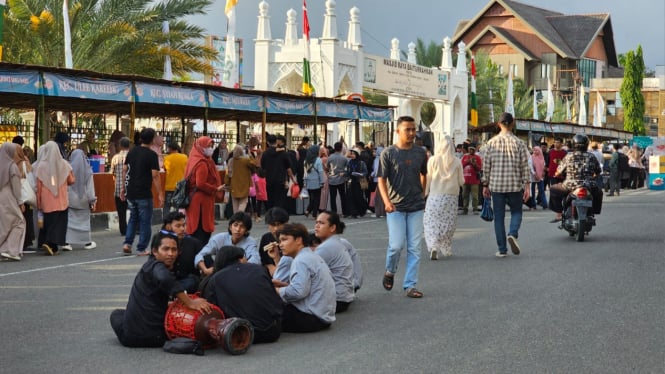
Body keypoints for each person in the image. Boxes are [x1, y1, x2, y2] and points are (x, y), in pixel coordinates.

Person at [110, 231, 212, 348]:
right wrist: (190, 302)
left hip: (133, 337)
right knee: (118, 314)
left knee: (117, 314)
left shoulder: (151, 267)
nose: (170, 254)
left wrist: (180, 302)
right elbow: (164, 278)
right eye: (166, 249)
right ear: (154, 251)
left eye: (174, 250)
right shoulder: (156, 266)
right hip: (159, 336)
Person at [377, 115, 428, 298]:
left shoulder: (421, 153)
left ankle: (410, 285)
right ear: (398, 131)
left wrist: (422, 194)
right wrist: (387, 202)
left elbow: (424, 174)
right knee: (396, 245)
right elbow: (381, 179)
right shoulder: (388, 153)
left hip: (416, 206)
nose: (412, 133)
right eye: (408, 129)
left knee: (414, 247)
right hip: (396, 207)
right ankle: (390, 271)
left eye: (414, 129)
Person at [204, 246, 284, 343]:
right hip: (272, 331)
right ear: (240, 258)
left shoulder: (215, 279)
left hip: (240, 333)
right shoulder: (259, 269)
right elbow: (273, 299)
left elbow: (213, 311)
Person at [481, 112, 530, 258]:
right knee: (516, 212)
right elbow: (524, 166)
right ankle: (513, 233)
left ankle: (502, 249)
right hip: (515, 185)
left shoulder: (491, 143)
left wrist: (485, 184)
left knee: (499, 217)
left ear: (498, 124)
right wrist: (527, 186)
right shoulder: (519, 143)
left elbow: (486, 166)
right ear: (512, 123)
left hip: (496, 186)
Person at [271, 223, 336, 333]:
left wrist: (275, 290)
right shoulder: (310, 255)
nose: (280, 245)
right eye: (280, 241)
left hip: (311, 318)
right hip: (323, 316)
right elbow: (306, 288)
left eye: (284, 240)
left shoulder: (301, 260)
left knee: (265, 312)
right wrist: (283, 286)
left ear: (298, 240)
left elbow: (298, 292)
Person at [121, 128, 162, 256]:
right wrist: (160, 193)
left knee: (133, 218)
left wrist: (123, 187)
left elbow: (124, 169)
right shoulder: (152, 155)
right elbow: (155, 175)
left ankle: (127, 243)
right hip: (144, 192)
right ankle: (142, 248)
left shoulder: (132, 152)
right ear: (152, 139)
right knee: (145, 221)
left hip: (131, 191)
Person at [424, 135, 464, 260]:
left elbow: (428, 178)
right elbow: (462, 181)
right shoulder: (457, 161)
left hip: (435, 195)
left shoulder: (432, 160)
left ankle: (434, 245)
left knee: (431, 221)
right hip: (451, 196)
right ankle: (446, 248)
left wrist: (425, 192)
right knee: (449, 222)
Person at [548, 134, 602, 222]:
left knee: (553, 189)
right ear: (586, 144)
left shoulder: (569, 156)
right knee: (599, 193)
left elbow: (558, 171)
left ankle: (559, 213)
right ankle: (593, 212)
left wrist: (557, 174)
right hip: (589, 186)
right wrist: (592, 177)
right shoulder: (591, 156)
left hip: (569, 185)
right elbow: (598, 171)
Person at [34, 141, 76, 256]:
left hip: (47, 202)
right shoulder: (64, 164)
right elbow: (72, 180)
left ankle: (50, 245)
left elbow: (38, 186)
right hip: (61, 201)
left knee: (48, 224)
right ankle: (50, 244)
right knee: (59, 225)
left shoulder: (41, 166)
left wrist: (39, 202)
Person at [185, 136, 224, 246]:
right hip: (201, 201)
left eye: (212, 146)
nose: (210, 149)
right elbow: (200, 183)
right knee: (202, 230)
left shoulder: (194, 159)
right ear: (201, 147)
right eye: (208, 146)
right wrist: (215, 189)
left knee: (198, 229)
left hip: (196, 199)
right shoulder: (202, 163)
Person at [313, 211, 355, 312]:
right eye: (316, 222)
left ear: (332, 228)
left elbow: (308, 275)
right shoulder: (337, 242)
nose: (317, 226)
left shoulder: (325, 247)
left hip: (337, 300)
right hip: (344, 296)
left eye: (321, 223)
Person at [195, 212, 259, 277]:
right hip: (219, 272)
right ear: (230, 227)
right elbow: (200, 255)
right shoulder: (219, 238)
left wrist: (246, 263)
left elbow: (256, 259)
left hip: (240, 273)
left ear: (246, 230)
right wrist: (205, 270)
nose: (238, 229)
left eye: (242, 227)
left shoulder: (250, 241)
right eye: (235, 225)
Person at [62, 149, 97, 251]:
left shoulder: (68, 170)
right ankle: (87, 242)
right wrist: (92, 200)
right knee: (84, 221)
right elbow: (90, 189)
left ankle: (67, 243)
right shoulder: (88, 171)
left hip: (70, 199)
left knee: (70, 221)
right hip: (83, 200)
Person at [162, 211, 203, 294]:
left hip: (189, 283)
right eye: (178, 226)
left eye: (183, 225)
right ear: (168, 227)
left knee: (192, 282)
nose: (182, 229)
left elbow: (209, 263)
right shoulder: (160, 244)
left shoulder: (194, 243)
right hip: (168, 282)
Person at [0, 143, 26, 261]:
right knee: (19, 222)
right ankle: (9, 250)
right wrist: (20, 202)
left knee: (4, 225)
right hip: (9, 196)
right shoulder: (12, 166)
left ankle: (6, 249)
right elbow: (16, 186)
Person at [261, 134, 296, 211]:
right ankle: (278, 217)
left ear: (267, 142)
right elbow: (288, 167)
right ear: (276, 142)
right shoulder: (283, 153)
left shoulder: (265, 154)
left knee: (270, 200)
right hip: (280, 180)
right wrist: (292, 179)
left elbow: (263, 167)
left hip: (269, 180)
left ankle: (271, 216)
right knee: (279, 201)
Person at [13, 142, 35, 252]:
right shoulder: (24, 162)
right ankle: (26, 241)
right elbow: (30, 176)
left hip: (13, 194)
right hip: (24, 194)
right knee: (26, 217)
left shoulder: (9, 161)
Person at [258, 207, 291, 279]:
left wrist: (277, 262)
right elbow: (262, 260)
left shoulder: (292, 239)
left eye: (279, 224)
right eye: (273, 225)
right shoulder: (266, 238)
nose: (276, 229)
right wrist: (269, 266)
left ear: (286, 223)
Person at [225, 144, 258, 213]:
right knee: (243, 202)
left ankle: (235, 217)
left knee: (235, 204)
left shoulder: (231, 161)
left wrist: (226, 183)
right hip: (244, 184)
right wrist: (250, 155)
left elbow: (227, 173)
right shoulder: (245, 160)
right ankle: (239, 216)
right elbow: (254, 164)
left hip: (233, 184)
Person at [110, 137, 130, 236]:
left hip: (118, 189)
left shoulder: (115, 158)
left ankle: (123, 230)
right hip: (131, 189)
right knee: (134, 210)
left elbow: (112, 173)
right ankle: (134, 229)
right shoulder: (133, 156)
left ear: (120, 146)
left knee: (121, 212)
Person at [162, 142, 188, 217]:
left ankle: (166, 222)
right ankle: (177, 221)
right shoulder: (185, 157)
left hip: (169, 186)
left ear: (169, 149)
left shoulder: (166, 158)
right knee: (178, 205)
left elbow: (164, 169)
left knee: (167, 205)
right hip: (181, 186)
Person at [345, 148, 369, 218]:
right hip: (351, 182)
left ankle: (361, 211)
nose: (352, 155)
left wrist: (360, 174)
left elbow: (365, 172)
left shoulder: (361, 163)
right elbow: (347, 171)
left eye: (353, 154)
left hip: (358, 182)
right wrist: (345, 173)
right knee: (351, 197)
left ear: (357, 154)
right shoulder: (350, 162)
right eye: (351, 154)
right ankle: (353, 212)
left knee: (359, 197)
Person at [327, 142, 349, 216]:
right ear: (341, 148)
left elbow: (327, 167)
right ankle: (345, 212)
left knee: (333, 197)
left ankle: (334, 212)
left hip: (332, 179)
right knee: (343, 196)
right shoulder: (344, 158)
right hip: (341, 179)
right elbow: (347, 168)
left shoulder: (330, 157)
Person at [304, 144, 324, 219]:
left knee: (311, 198)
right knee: (317, 198)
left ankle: (308, 210)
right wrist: (322, 182)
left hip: (309, 182)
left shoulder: (306, 160)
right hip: (317, 182)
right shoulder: (318, 160)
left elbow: (305, 173)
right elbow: (320, 172)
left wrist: (305, 182)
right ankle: (314, 214)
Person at [460, 145, 482, 214]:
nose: (471, 151)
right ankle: (465, 208)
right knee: (464, 195)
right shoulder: (464, 157)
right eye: (470, 149)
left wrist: (474, 164)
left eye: (472, 149)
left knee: (475, 195)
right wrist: (467, 162)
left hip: (474, 180)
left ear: (474, 150)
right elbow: (461, 167)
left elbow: (479, 169)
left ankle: (475, 208)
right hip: (465, 179)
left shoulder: (478, 157)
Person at [528, 146, 548, 210]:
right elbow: (530, 166)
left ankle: (545, 205)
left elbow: (543, 165)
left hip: (540, 176)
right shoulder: (531, 157)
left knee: (541, 190)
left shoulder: (541, 157)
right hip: (533, 176)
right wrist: (534, 174)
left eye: (537, 150)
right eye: (534, 150)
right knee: (532, 192)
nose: (535, 151)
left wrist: (543, 172)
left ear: (539, 151)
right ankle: (533, 205)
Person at [370, 146, 386, 217]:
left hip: (378, 180)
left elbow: (376, 170)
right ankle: (383, 212)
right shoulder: (386, 158)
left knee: (378, 197)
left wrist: (372, 174)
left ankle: (379, 212)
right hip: (385, 180)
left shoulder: (377, 159)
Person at [318, 146, 330, 212]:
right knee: (325, 192)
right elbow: (327, 168)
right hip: (325, 175)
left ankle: (319, 206)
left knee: (320, 192)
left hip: (319, 176)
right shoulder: (326, 158)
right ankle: (323, 206)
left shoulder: (318, 159)